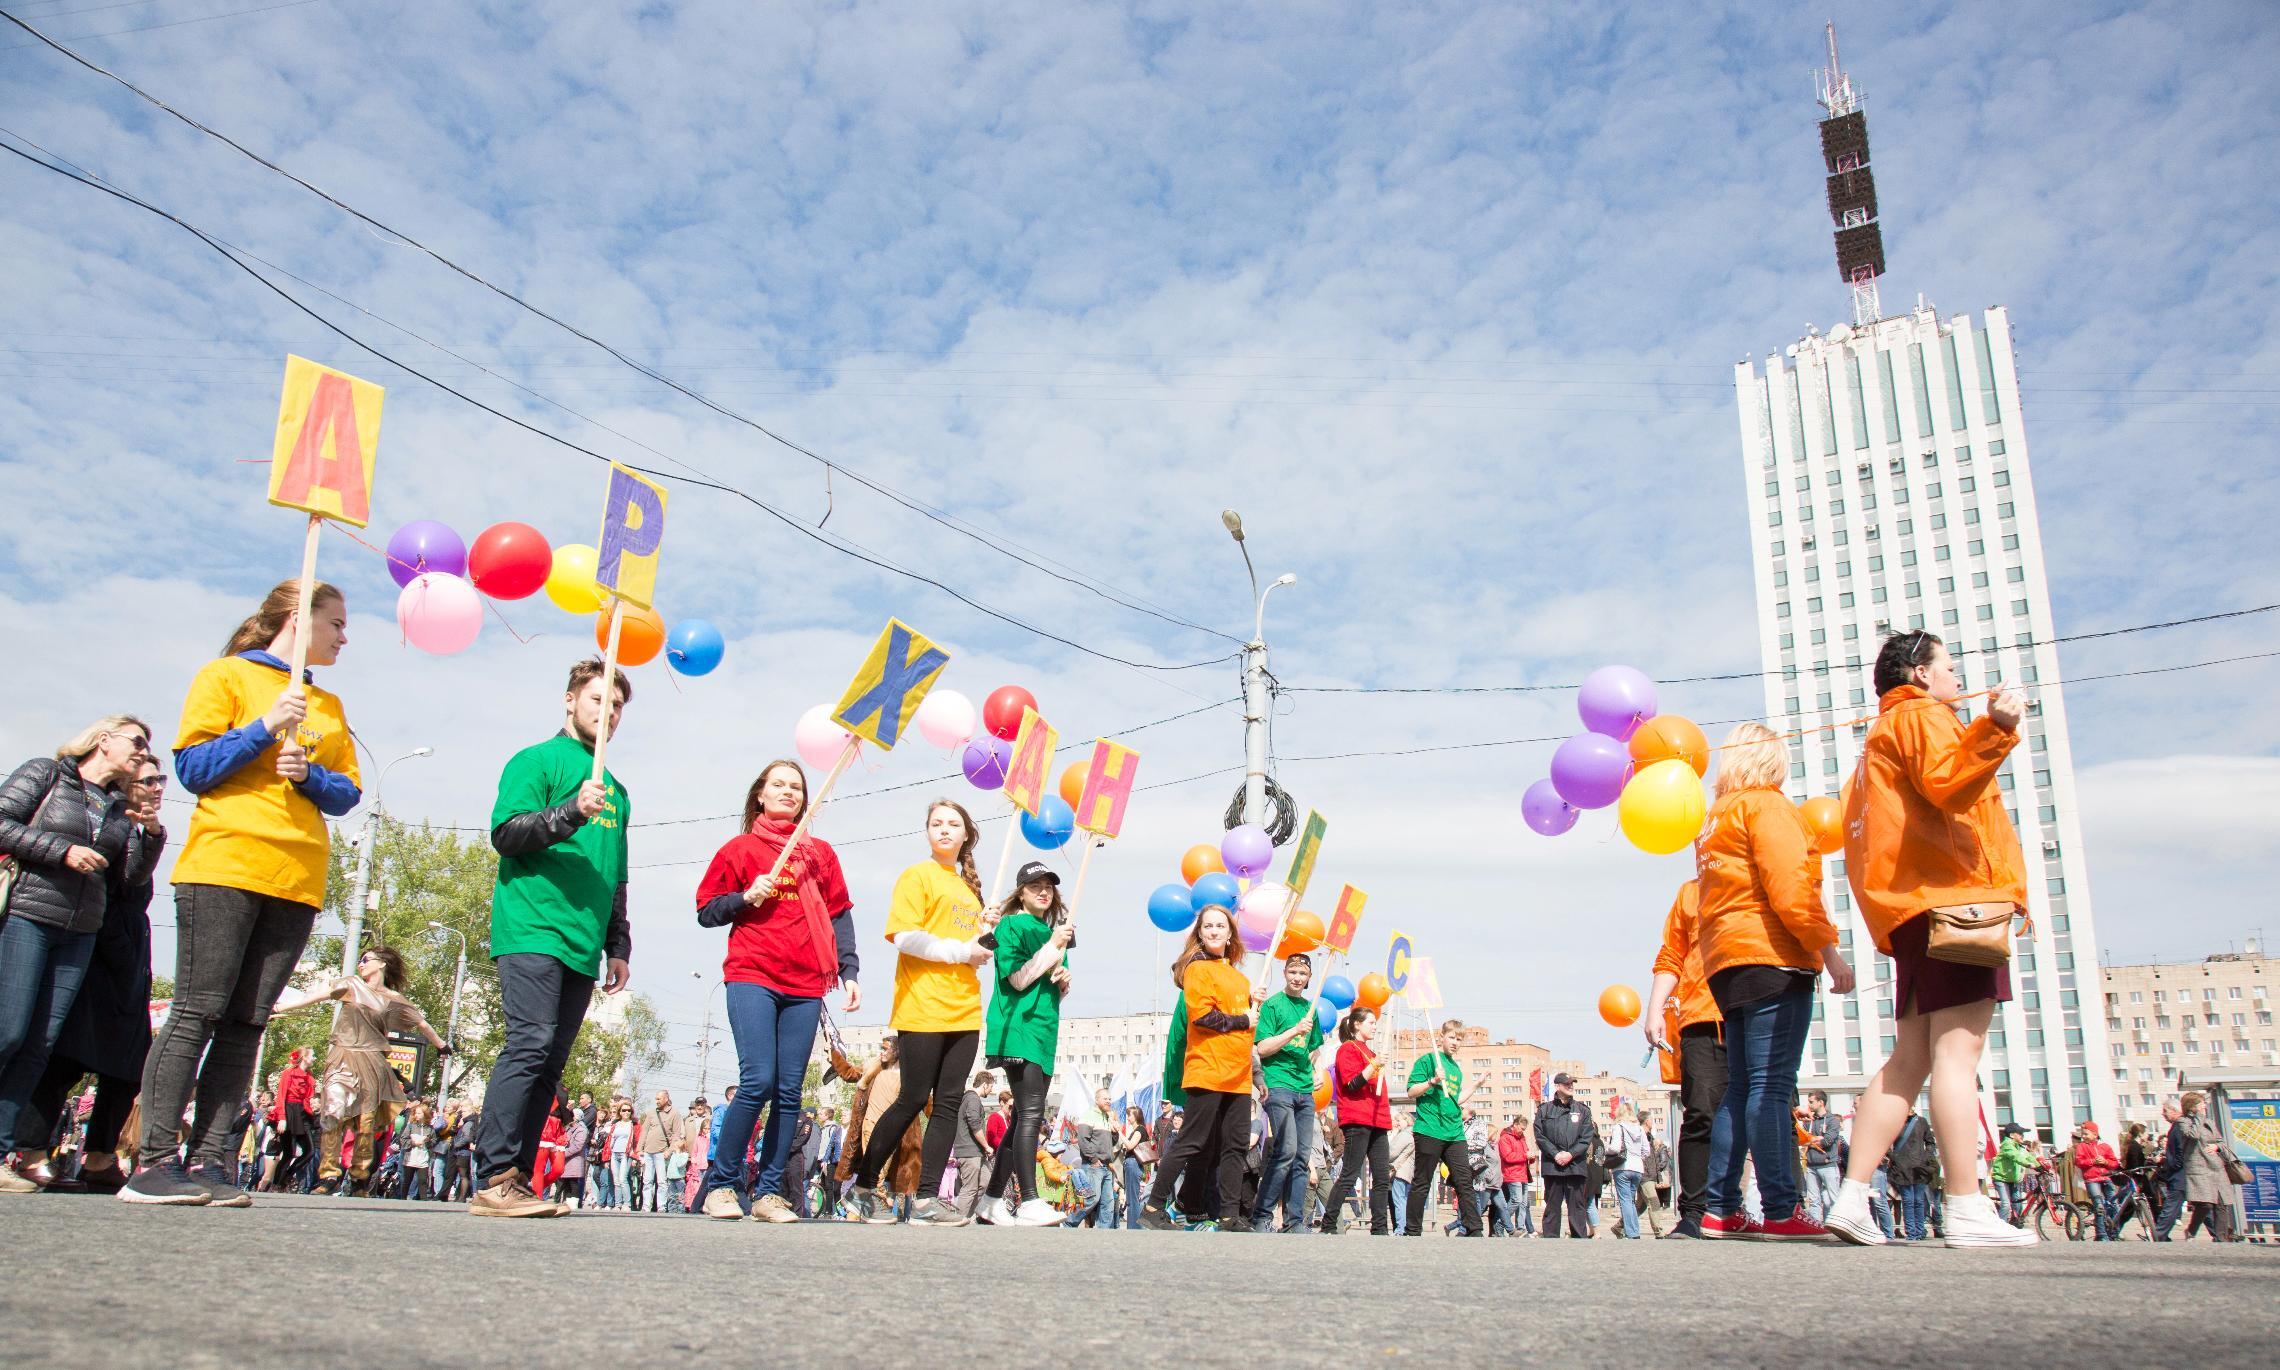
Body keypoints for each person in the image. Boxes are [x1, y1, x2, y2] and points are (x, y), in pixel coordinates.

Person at [124, 583, 362, 1206]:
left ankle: (209, 1161)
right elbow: (194, 768)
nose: (344, 636)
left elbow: (348, 794)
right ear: (296, 617)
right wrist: (263, 727)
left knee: (246, 1023)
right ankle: (153, 1161)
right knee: (198, 1009)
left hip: (296, 876)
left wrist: (310, 775)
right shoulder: (226, 676)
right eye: (335, 622)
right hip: (225, 864)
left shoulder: (329, 706)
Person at [1822, 632, 2035, 1250]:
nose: (1955, 674)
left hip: (1914, 909)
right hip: (1953, 901)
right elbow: (1949, 783)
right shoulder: (1923, 717)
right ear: (1918, 673)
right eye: (1948, 664)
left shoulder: (1881, 736)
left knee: (1909, 1060)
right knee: (1955, 1058)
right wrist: (1996, 726)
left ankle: (1853, 1195)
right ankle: (1966, 1205)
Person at [468, 659, 634, 1219]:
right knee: (529, 1044)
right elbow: (506, 833)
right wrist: (568, 811)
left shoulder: (617, 790)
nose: (607, 712)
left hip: (583, 944)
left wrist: (619, 946)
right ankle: (492, 1173)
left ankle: (513, 1177)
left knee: (550, 1062)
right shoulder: (535, 760)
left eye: (616, 706)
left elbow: (617, 876)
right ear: (569, 701)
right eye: (597, 700)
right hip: (533, 927)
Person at [1691, 721, 1850, 1241]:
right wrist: (1829, 953)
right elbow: (1791, 889)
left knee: (1741, 1088)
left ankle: (1721, 1208)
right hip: (1772, 956)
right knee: (1771, 1087)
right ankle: (1782, 1208)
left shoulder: (1714, 820)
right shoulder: (1769, 807)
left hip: (1725, 961)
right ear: (1773, 761)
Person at [693, 758, 860, 1221]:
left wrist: (849, 971)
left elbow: (839, 914)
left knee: (789, 1091)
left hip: (806, 982)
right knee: (758, 1081)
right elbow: (707, 909)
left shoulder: (819, 854)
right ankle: (723, 1186)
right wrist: (745, 897)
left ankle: (769, 1193)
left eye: (797, 787)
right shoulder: (740, 849)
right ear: (761, 796)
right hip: (753, 974)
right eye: (779, 786)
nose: (789, 792)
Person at [9, 752, 167, 1195]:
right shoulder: (105, 815)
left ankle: (99, 1158)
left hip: (129, 946)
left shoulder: (138, 825)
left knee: (129, 1061)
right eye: (149, 779)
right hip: (92, 935)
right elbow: (122, 877)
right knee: (64, 1055)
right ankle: (31, 1150)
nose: (157, 787)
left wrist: (152, 832)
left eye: (161, 780)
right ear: (126, 781)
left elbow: (139, 879)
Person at [846, 800, 992, 1227]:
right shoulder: (917, 875)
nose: (944, 830)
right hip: (922, 1004)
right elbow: (906, 936)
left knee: (949, 1103)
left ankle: (927, 1199)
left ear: (967, 834)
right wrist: (960, 950)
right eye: (936, 823)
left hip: (965, 1008)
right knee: (912, 1098)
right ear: (927, 831)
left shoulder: (969, 890)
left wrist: (988, 932)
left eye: (953, 824)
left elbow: (978, 951)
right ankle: (863, 1187)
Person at [267, 946, 448, 1197]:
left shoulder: (394, 1000)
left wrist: (442, 1046)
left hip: (372, 1061)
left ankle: (360, 1177)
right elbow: (319, 994)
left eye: (366, 959)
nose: (361, 963)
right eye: (360, 959)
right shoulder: (351, 984)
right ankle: (330, 1174)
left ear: (382, 964)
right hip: (342, 1056)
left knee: (366, 1121)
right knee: (332, 1111)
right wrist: (278, 1008)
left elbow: (422, 1023)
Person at [1139, 904, 1264, 1230]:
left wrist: (1252, 1003)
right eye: (1207, 926)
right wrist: (1243, 1018)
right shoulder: (1197, 969)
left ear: (1230, 933)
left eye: (1220, 926)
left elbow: (1245, 1025)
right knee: (1191, 1142)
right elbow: (1204, 1018)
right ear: (1199, 933)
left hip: (1237, 1074)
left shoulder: (1238, 977)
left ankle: (1228, 1215)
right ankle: (1153, 1208)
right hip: (1208, 1069)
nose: (1213, 931)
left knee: (1234, 1146)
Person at [980, 862, 1070, 1227]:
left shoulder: (1051, 932)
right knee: (1031, 1114)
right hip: (1019, 1029)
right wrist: (1051, 949)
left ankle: (991, 1200)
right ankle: (1030, 1201)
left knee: (1021, 1119)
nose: (1043, 891)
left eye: (1048, 886)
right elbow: (1016, 978)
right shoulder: (1011, 925)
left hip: (1043, 1030)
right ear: (1020, 891)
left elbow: (1045, 988)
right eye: (1035, 886)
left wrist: (1063, 981)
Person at [1643, 880, 1724, 1240]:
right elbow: (1672, 953)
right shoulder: (1691, 892)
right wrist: (1655, 1008)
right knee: (1701, 1112)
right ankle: (1695, 1213)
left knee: (1772, 1107)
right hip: (1702, 1015)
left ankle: (1784, 1209)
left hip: (1757, 1007)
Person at [1251, 952, 1324, 1234]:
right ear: (1285, 974)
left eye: (1303, 974)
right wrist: (1294, 1030)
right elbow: (1263, 1048)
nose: (1297, 978)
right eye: (1293, 972)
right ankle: (1262, 1215)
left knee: (1302, 1157)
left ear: (1308, 979)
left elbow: (1313, 1048)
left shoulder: (1311, 1008)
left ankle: (1295, 1220)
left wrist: (1318, 1071)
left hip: (1304, 1088)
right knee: (1286, 1149)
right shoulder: (1272, 1005)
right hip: (1278, 1084)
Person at [1403, 1018, 1485, 1237]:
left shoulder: (1455, 1069)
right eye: (1451, 1037)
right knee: (1422, 1181)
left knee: (1464, 1180)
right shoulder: (1428, 1060)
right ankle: (1412, 1230)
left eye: (1459, 1039)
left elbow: (1456, 1099)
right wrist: (1432, 1081)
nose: (1455, 1042)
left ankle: (1475, 1229)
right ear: (1442, 1037)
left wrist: (1476, 1085)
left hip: (1454, 1132)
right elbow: (1411, 1092)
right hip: (1430, 1129)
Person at [1317, 1004, 1394, 1235]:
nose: (1374, 1027)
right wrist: (1374, 1066)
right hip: (1358, 1118)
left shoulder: (1370, 1053)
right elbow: (1353, 1084)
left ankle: (1380, 1227)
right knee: (1350, 1173)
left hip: (1377, 1118)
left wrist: (1376, 1063)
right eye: (1371, 1023)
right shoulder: (1347, 1049)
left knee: (1381, 1176)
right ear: (1356, 1024)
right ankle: (1329, 1223)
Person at [1533, 1073, 1596, 1237]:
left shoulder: (1583, 1110)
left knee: (1577, 1206)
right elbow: (1540, 1136)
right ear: (1558, 1086)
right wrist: (1555, 1154)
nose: (1571, 1086)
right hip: (1553, 1166)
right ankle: (1551, 1239)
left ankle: (1578, 1239)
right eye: (1567, 1084)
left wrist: (1570, 1154)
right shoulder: (1544, 1109)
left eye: (1572, 1083)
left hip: (1575, 1166)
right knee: (1552, 1205)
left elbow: (1586, 1137)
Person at [2173, 1092, 2235, 1242]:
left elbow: (2221, 1141)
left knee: (2222, 1204)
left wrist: (2216, 1146)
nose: (2204, 1106)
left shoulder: (2209, 1122)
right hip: (2199, 1168)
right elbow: (2192, 1135)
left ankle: (2221, 1239)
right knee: (2205, 1204)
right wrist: (2199, 1117)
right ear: (2192, 1106)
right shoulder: (2183, 1121)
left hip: (2216, 1167)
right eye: (2201, 1104)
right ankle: (2191, 1230)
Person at [1887, 1106, 1937, 1240]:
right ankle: (1911, 1232)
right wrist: (1894, 1158)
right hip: (1902, 1168)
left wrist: (1926, 1157)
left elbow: (1930, 1142)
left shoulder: (1921, 1121)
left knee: (1919, 1201)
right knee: (1908, 1201)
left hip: (1919, 1167)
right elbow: (1885, 1143)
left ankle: (1920, 1231)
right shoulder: (1895, 1122)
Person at [952, 1071, 993, 1221]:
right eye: (990, 1087)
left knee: (985, 1182)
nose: (991, 1091)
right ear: (984, 1084)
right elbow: (974, 1124)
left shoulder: (970, 1098)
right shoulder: (972, 1099)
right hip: (969, 1152)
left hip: (976, 1151)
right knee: (969, 1188)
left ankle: (967, 1218)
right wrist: (987, 1146)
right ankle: (958, 1220)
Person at [633, 1089, 681, 1214]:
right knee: (647, 1181)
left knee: (661, 1182)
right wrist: (639, 1149)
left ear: (666, 1099)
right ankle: (646, 1206)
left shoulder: (675, 1113)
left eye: (659, 1099)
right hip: (648, 1151)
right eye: (656, 1099)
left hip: (662, 1152)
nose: (657, 1101)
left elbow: (676, 1135)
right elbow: (644, 1131)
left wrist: (669, 1151)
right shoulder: (651, 1113)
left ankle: (661, 1206)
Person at [1606, 1103, 1650, 1239]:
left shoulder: (1618, 1127)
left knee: (1625, 1201)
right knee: (1630, 1201)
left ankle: (1632, 1233)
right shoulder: (1640, 1129)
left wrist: (1606, 1150)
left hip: (1623, 1167)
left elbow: (1615, 1148)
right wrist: (1637, 1157)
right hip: (1637, 1168)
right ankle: (1634, 1230)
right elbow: (1647, 1151)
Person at [1799, 1091, 1843, 1222]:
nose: (1809, 1104)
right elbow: (1803, 1140)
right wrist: (1814, 1139)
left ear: (1821, 1102)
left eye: (1811, 1101)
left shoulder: (1833, 1121)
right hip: (1811, 1165)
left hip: (1828, 1164)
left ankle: (1835, 1223)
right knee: (1813, 1200)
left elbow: (1827, 1141)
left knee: (1832, 1198)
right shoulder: (1809, 1121)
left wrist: (1814, 1140)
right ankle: (1815, 1225)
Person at [1495, 1113, 1535, 1237]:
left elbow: (1524, 1153)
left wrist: (1531, 1157)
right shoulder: (1505, 1138)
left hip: (1523, 1174)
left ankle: (1520, 1228)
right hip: (1511, 1174)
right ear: (1515, 1125)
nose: (1522, 1131)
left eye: (1524, 1130)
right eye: (1521, 1129)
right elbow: (1507, 1157)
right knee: (1516, 1200)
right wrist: (1525, 1156)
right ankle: (1501, 1224)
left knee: (1523, 1203)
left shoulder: (1522, 1138)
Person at [1991, 1122, 2034, 1222]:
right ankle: (2000, 1227)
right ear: (2011, 1135)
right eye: (2019, 1133)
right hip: (2001, 1178)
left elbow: (2029, 1157)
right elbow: (2016, 1156)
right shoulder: (2007, 1145)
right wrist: (2028, 1164)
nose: (2022, 1136)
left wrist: (2041, 1165)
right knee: (2006, 1204)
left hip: (2012, 1179)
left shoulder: (2019, 1146)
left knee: (2018, 1204)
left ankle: (2015, 1224)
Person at [1117, 1103, 1152, 1230]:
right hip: (1134, 1164)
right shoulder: (1139, 1129)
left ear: (1136, 1116)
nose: (1128, 1118)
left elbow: (1130, 1145)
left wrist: (1119, 1132)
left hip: (1133, 1163)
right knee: (1132, 1197)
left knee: (1132, 1199)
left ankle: (1134, 1227)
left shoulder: (1139, 1130)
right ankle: (1135, 1226)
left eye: (1129, 1115)